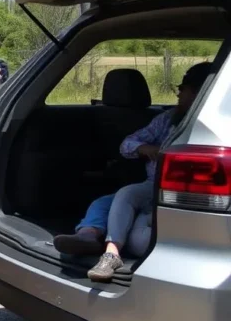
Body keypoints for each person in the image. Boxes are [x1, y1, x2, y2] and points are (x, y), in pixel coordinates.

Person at [52, 62, 213, 282]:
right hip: (151, 185)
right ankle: (95, 242)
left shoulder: (214, 128)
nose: (178, 93)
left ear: (198, 93)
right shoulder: (167, 120)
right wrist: (144, 149)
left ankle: (108, 239)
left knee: (136, 232)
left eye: (182, 88)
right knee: (109, 200)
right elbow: (127, 144)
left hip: (182, 198)